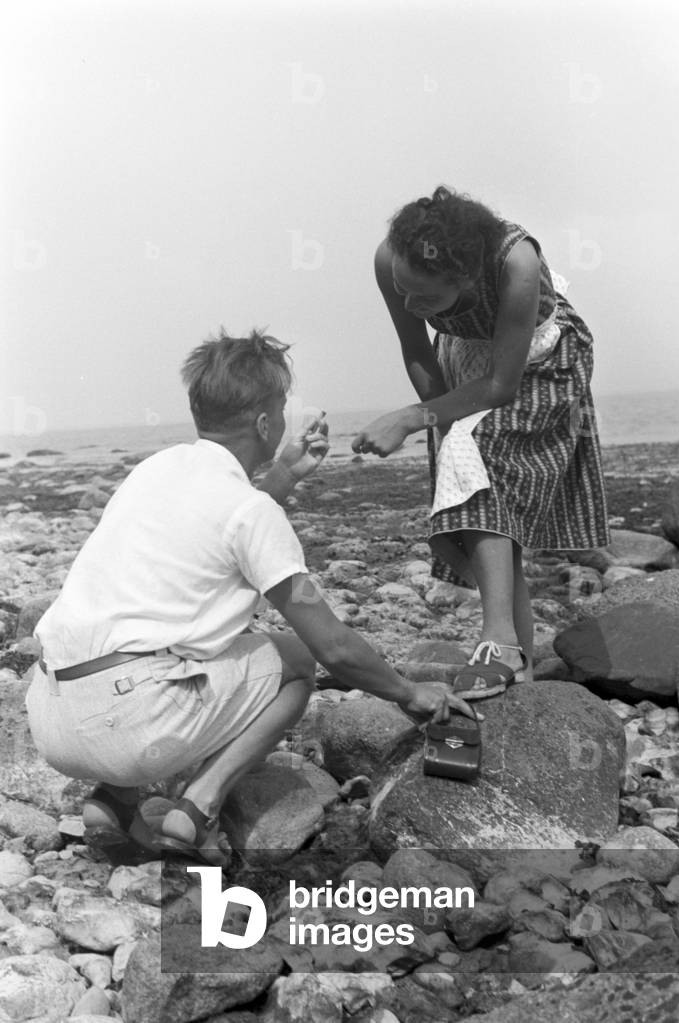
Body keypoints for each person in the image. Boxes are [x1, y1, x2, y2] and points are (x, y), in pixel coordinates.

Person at [27, 329, 475, 866]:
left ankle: (113, 802)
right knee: (295, 662)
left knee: (181, 638)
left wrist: (283, 472)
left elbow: (218, 537)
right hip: (128, 723)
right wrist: (406, 692)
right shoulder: (250, 513)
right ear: (265, 423)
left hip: (52, 716)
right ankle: (196, 806)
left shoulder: (156, 470)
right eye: (281, 410)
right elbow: (331, 645)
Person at [353, 186, 609, 699]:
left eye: (425, 297)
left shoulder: (517, 263)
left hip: (536, 360)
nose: (409, 302)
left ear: (467, 277)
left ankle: (499, 642)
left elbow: (501, 385)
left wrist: (411, 418)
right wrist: (445, 430)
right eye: (404, 289)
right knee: (485, 504)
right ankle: (519, 668)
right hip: (463, 363)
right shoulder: (392, 258)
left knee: (484, 472)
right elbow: (416, 348)